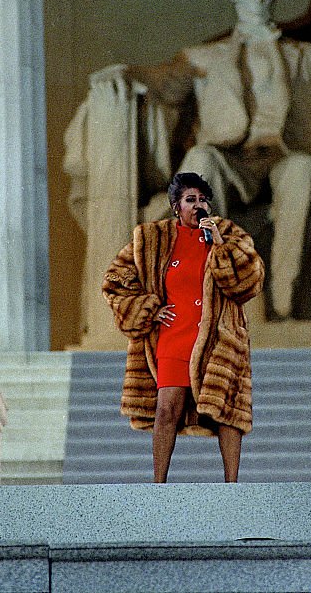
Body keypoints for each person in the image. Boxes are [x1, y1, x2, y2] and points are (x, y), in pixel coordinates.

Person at [89, 0, 311, 321]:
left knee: (304, 170)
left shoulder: (304, 55)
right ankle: (208, 284)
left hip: (284, 156)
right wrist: (126, 74)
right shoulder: (204, 57)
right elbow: (164, 80)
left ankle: (283, 297)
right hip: (230, 161)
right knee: (200, 160)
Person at [103, 172, 264, 483]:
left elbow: (248, 283)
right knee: (166, 411)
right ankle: (158, 485)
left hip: (219, 339)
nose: (198, 206)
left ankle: (233, 486)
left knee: (228, 413)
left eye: (203, 200)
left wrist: (219, 244)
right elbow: (114, 281)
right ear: (176, 206)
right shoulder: (151, 239)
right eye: (191, 200)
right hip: (174, 337)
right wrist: (147, 308)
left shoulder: (229, 235)